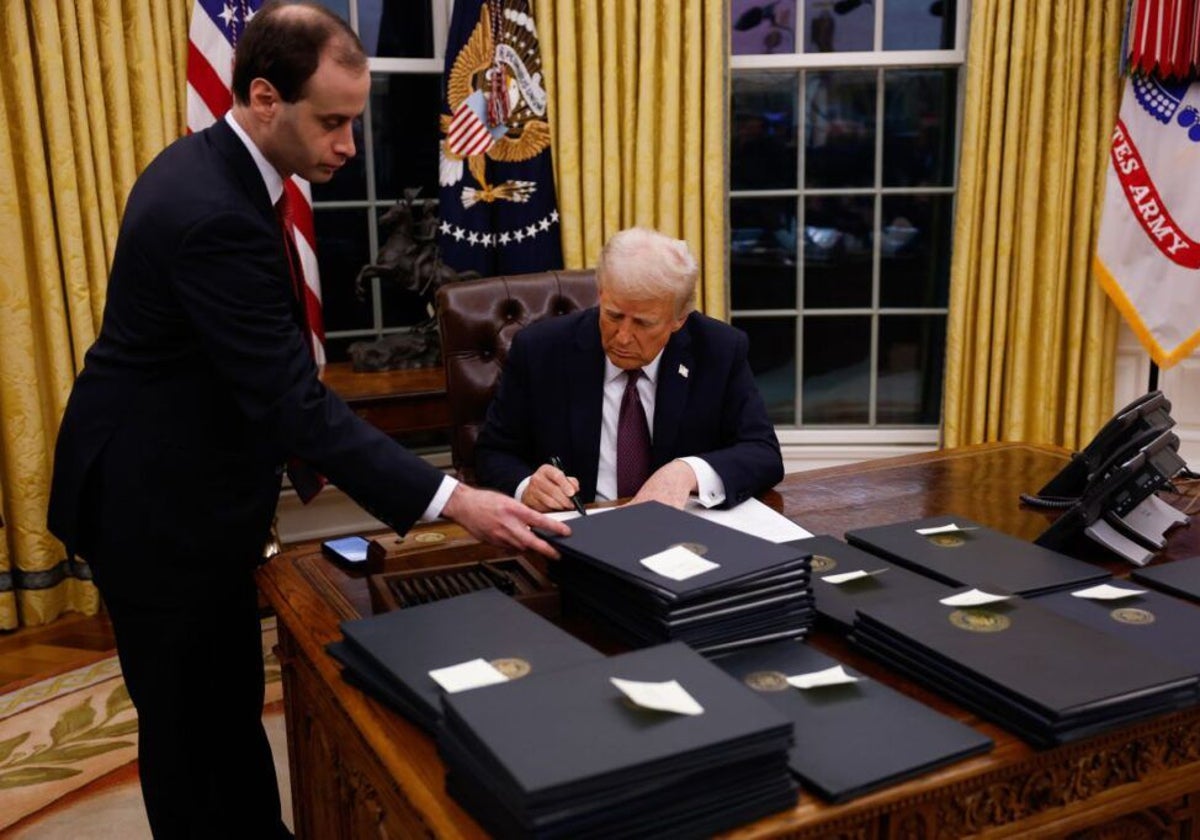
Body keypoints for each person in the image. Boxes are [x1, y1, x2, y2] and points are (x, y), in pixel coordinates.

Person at [46, 3, 566, 837]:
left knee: (225, 707)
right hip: (155, 507)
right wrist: (454, 500)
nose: (348, 146)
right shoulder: (212, 209)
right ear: (262, 97)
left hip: (187, 482)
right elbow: (291, 402)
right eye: (332, 122)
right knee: (189, 731)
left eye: (354, 121)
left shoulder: (220, 170)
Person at [475, 226, 784, 513]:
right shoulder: (541, 350)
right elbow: (492, 453)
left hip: (679, 537)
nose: (622, 336)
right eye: (613, 315)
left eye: (643, 323)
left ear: (679, 318)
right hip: (577, 533)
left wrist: (686, 471)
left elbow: (763, 453)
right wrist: (528, 486)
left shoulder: (718, 349)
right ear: (600, 293)